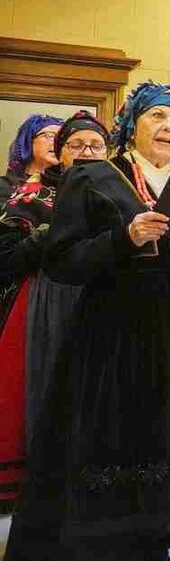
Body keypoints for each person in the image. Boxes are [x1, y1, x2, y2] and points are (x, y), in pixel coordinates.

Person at [5, 82, 170, 560]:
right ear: (132, 124)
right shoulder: (98, 176)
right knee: (126, 435)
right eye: (157, 116)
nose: (168, 128)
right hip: (120, 331)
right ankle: (127, 542)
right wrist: (123, 237)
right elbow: (63, 261)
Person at [23, 111, 110, 448]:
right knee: (55, 376)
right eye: (76, 145)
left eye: (96, 145)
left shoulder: (122, 192)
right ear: (61, 153)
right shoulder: (34, 196)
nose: (87, 152)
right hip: (57, 294)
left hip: (106, 290)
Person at [0, 113, 62, 509]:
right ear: (27, 141)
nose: (55, 141)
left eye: (62, 136)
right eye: (47, 135)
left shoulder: (76, 184)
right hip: (20, 286)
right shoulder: (7, 188)